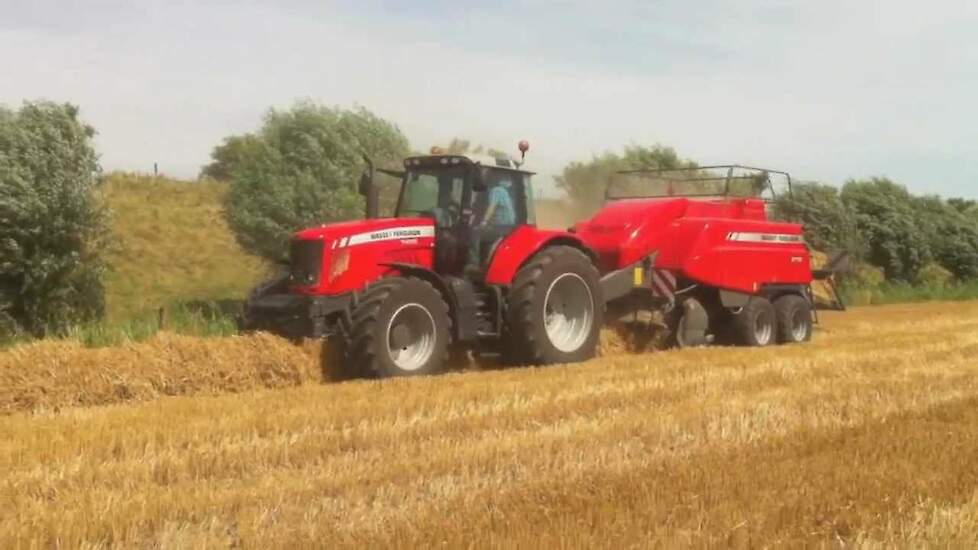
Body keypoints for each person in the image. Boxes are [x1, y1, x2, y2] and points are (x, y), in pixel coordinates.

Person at [466, 179, 517, 273]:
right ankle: (482, 260)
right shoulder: (503, 191)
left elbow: (492, 206)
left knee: (475, 232)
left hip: (501, 225)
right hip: (505, 225)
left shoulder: (496, 190)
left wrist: (484, 221)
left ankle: (473, 264)